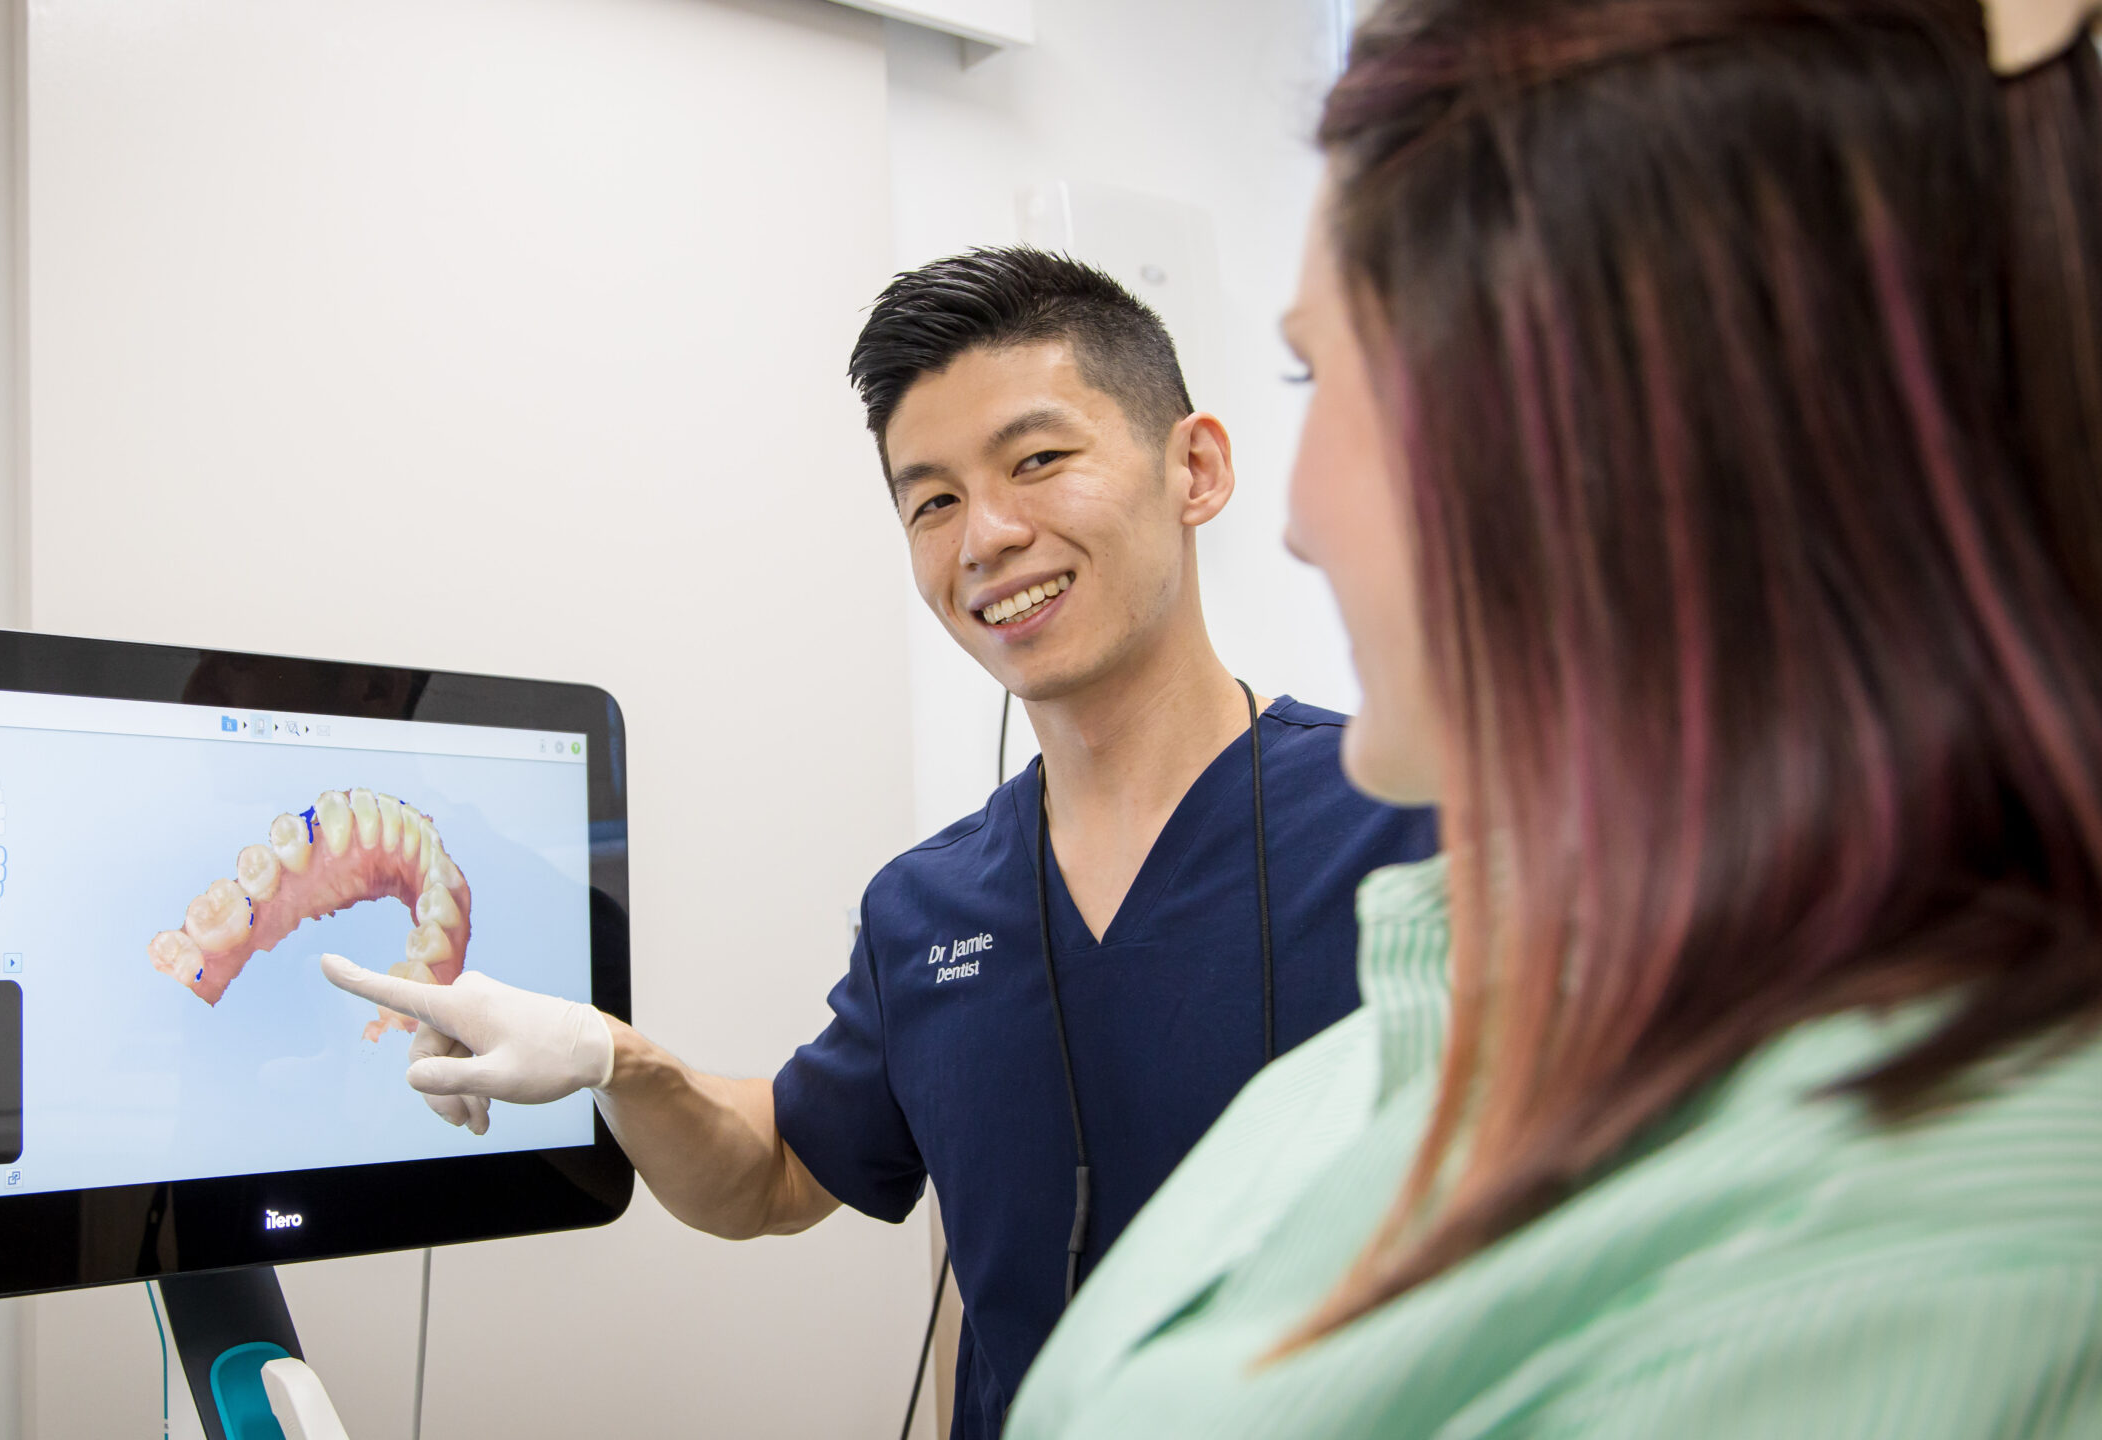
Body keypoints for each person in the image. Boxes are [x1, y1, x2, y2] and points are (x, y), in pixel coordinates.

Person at [1005, 0, 2102, 1435]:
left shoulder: (1911, 1259)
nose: (1295, 525)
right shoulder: (1448, 976)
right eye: (932, 497)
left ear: (1612, 416)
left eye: (1319, 372)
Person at [324, 249, 1437, 1435]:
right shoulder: (931, 907)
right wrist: (614, 1061)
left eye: (1039, 460)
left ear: (1195, 468)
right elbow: (771, 1177)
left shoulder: (1413, 819)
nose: (988, 536)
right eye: (934, 501)